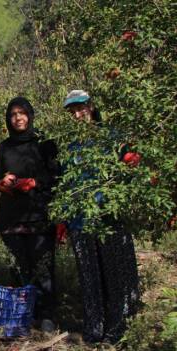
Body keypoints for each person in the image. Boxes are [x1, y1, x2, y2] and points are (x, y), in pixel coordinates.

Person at [60, 90, 140, 343]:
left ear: (91, 107)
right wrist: (63, 220)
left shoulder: (112, 137)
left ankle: (117, 329)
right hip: (79, 221)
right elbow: (66, 185)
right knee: (89, 276)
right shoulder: (71, 147)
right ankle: (94, 329)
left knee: (115, 274)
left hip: (109, 218)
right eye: (72, 110)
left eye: (80, 107)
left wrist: (132, 161)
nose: (77, 113)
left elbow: (128, 170)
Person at [0, 97, 59, 332]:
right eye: (13, 114)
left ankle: (47, 315)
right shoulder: (4, 146)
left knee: (43, 266)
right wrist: (3, 183)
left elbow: (56, 176)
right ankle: (23, 316)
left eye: (22, 113)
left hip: (39, 214)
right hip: (11, 216)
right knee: (19, 268)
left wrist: (33, 182)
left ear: (30, 115)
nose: (18, 118)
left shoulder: (44, 142)